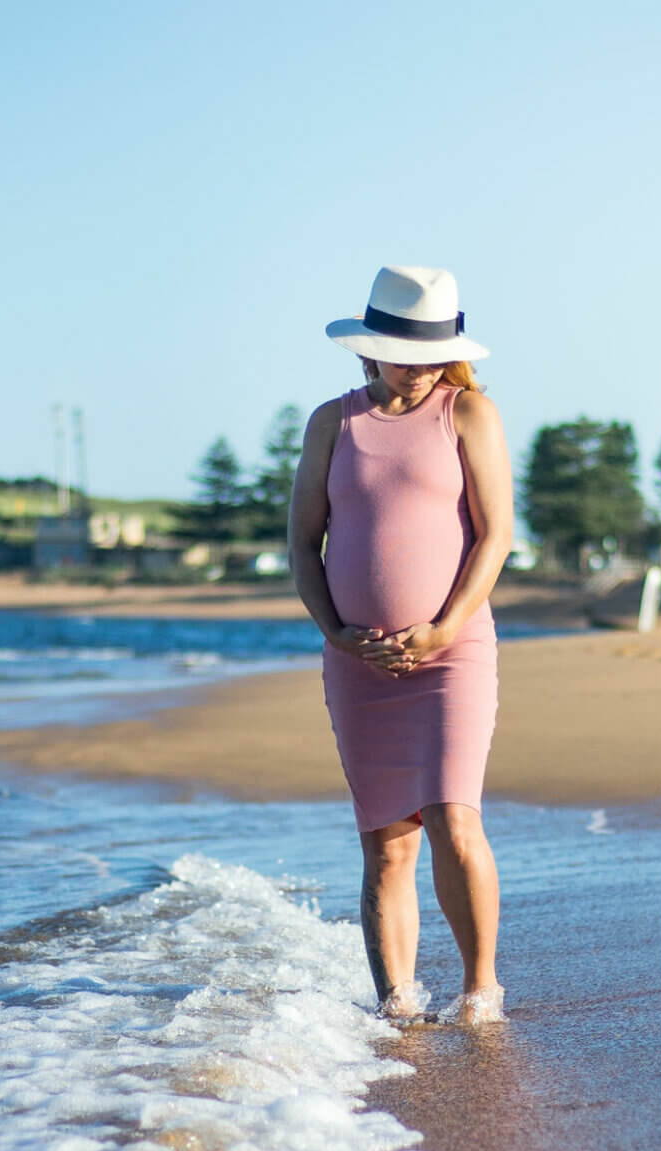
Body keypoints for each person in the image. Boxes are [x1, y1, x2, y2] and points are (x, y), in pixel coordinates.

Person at [290, 265, 514, 1024]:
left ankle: (480, 992)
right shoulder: (333, 422)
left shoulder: (469, 413)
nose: (415, 369)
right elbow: (303, 544)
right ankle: (400, 1007)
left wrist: (444, 626)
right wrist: (336, 633)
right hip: (359, 667)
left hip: (453, 653)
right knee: (387, 843)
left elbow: (495, 536)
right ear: (368, 349)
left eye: (428, 356)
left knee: (454, 817)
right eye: (399, 354)